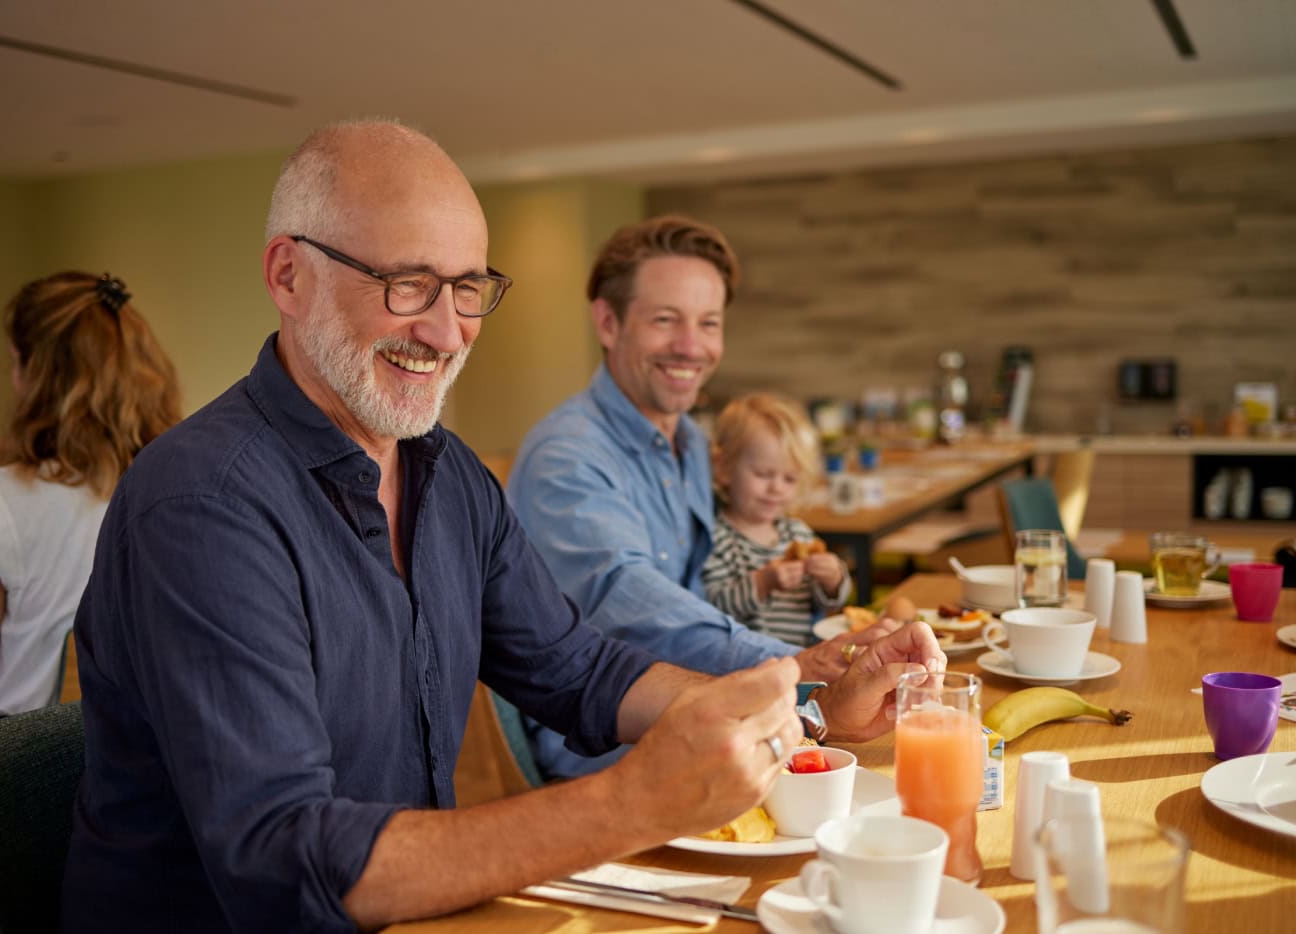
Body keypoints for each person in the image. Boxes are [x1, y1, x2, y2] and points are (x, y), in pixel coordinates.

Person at [61, 120, 944, 932]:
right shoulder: (204, 505)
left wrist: (812, 711)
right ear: (289, 275)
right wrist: (630, 805)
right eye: (408, 284)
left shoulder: (447, 476)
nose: (448, 332)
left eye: (470, 289)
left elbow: (581, 671)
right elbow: (283, 864)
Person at [507, 215, 914, 780]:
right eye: (665, 320)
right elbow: (627, 598)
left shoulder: (696, 445)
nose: (691, 347)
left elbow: (718, 579)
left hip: (704, 702)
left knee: (894, 739)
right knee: (864, 769)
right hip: (606, 745)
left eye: (709, 323)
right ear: (607, 322)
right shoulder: (567, 456)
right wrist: (785, 666)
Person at [0, 271, 180, 836]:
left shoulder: (2, 501)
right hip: (142, 760)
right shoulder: (176, 481)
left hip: (21, 768)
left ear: (38, 375)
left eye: (14, 362)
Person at [703, 393, 850, 647]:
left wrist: (834, 581)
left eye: (789, 479)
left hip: (802, 662)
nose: (776, 488)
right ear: (724, 468)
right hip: (744, 668)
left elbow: (826, 603)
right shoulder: (716, 538)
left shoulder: (798, 534)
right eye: (763, 474)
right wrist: (762, 583)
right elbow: (712, 607)